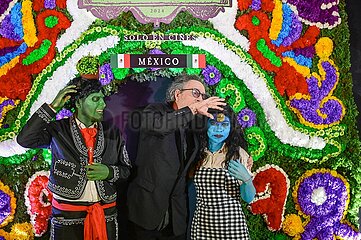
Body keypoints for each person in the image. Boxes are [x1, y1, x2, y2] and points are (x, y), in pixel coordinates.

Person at [17, 76, 131, 240]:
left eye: (102, 99)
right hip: (67, 218)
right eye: (95, 99)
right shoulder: (58, 129)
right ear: (78, 103)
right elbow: (24, 140)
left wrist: (109, 172)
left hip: (105, 216)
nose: (103, 105)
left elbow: (126, 170)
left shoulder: (112, 132)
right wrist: (52, 107)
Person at [127, 74, 226, 240]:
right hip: (147, 208)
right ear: (177, 94)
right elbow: (160, 126)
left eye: (203, 96)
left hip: (176, 216)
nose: (201, 99)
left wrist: (239, 153)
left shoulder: (195, 124)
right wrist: (192, 110)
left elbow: (221, 134)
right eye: (195, 93)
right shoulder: (154, 111)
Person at [190, 105, 256, 240]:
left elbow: (248, 198)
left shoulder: (238, 154)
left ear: (230, 128)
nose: (219, 129)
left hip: (231, 226)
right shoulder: (196, 153)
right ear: (205, 125)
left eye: (224, 124)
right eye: (214, 123)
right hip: (203, 224)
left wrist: (247, 180)